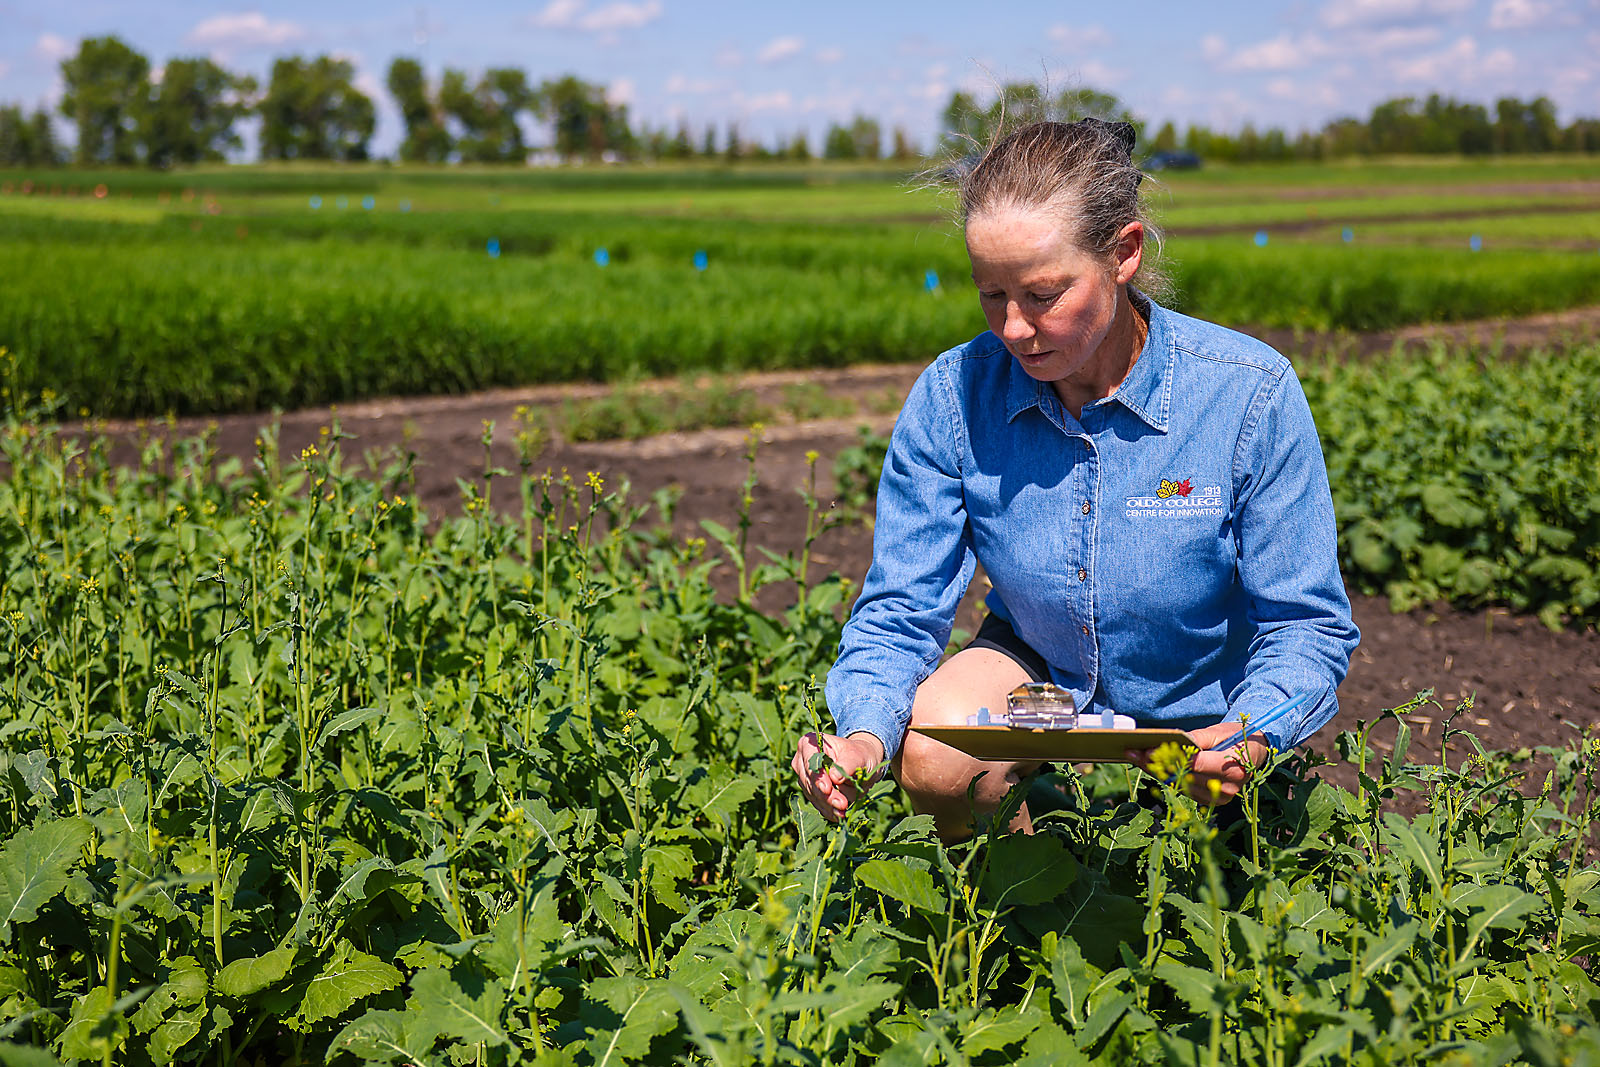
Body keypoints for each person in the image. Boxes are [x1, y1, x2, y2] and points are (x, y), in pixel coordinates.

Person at [791, 119, 1359, 842]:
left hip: (1202, 714)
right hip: (1046, 693)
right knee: (934, 750)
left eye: (1044, 293)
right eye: (991, 295)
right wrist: (865, 738)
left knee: (1216, 878)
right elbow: (903, 605)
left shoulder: (1246, 394)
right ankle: (1023, 905)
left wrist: (1250, 732)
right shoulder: (954, 397)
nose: (1016, 328)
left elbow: (1305, 622)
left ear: (1124, 253)